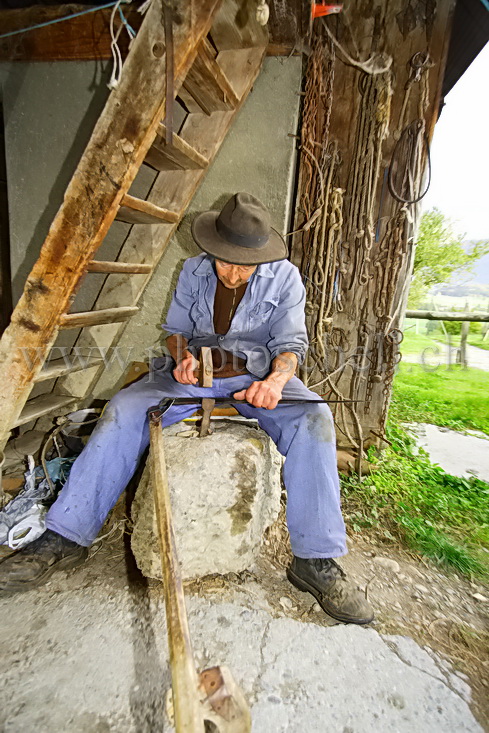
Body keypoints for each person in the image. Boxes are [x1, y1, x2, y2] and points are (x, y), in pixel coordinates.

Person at [0, 193, 373, 624]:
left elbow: (291, 346)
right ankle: (67, 536)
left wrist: (275, 381)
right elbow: (176, 332)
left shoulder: (285, 278)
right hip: (192, 377)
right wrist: (182, 358)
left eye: (243, 265)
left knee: (315, 418)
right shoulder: (193, 270)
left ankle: (315, 560)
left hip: (256, 378)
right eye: (224, 261)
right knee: (123, 409)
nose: (232, 273)